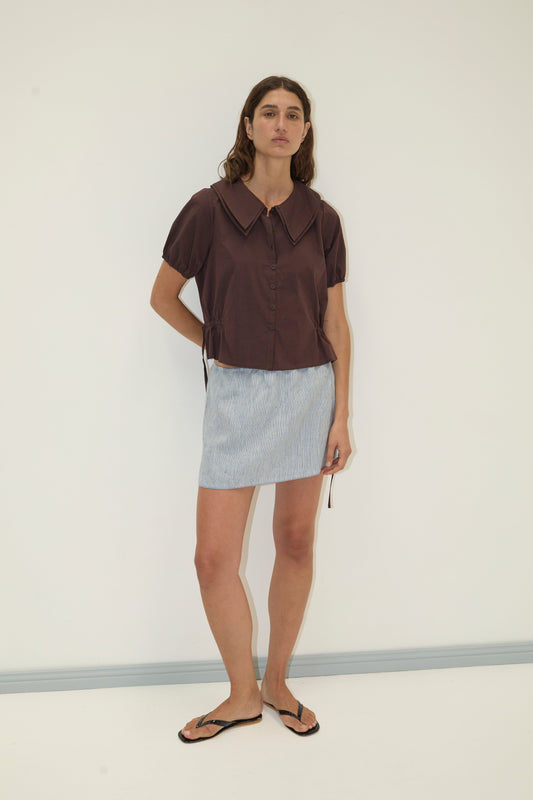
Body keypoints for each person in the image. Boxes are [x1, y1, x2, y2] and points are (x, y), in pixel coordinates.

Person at [150, 75, 352, 743]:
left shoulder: (320, 219)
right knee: (213, 557)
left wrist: (341, 415)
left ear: (303, 131)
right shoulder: (208, 209)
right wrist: (214, 340)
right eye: (268, 112)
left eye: (293, 114)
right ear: (247, 126)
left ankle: (276, 684)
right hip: (237, 398)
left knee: (294, 541)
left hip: (307, 391)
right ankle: (239, 694)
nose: (280, 123)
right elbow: (163, 296)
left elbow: (335, 320)